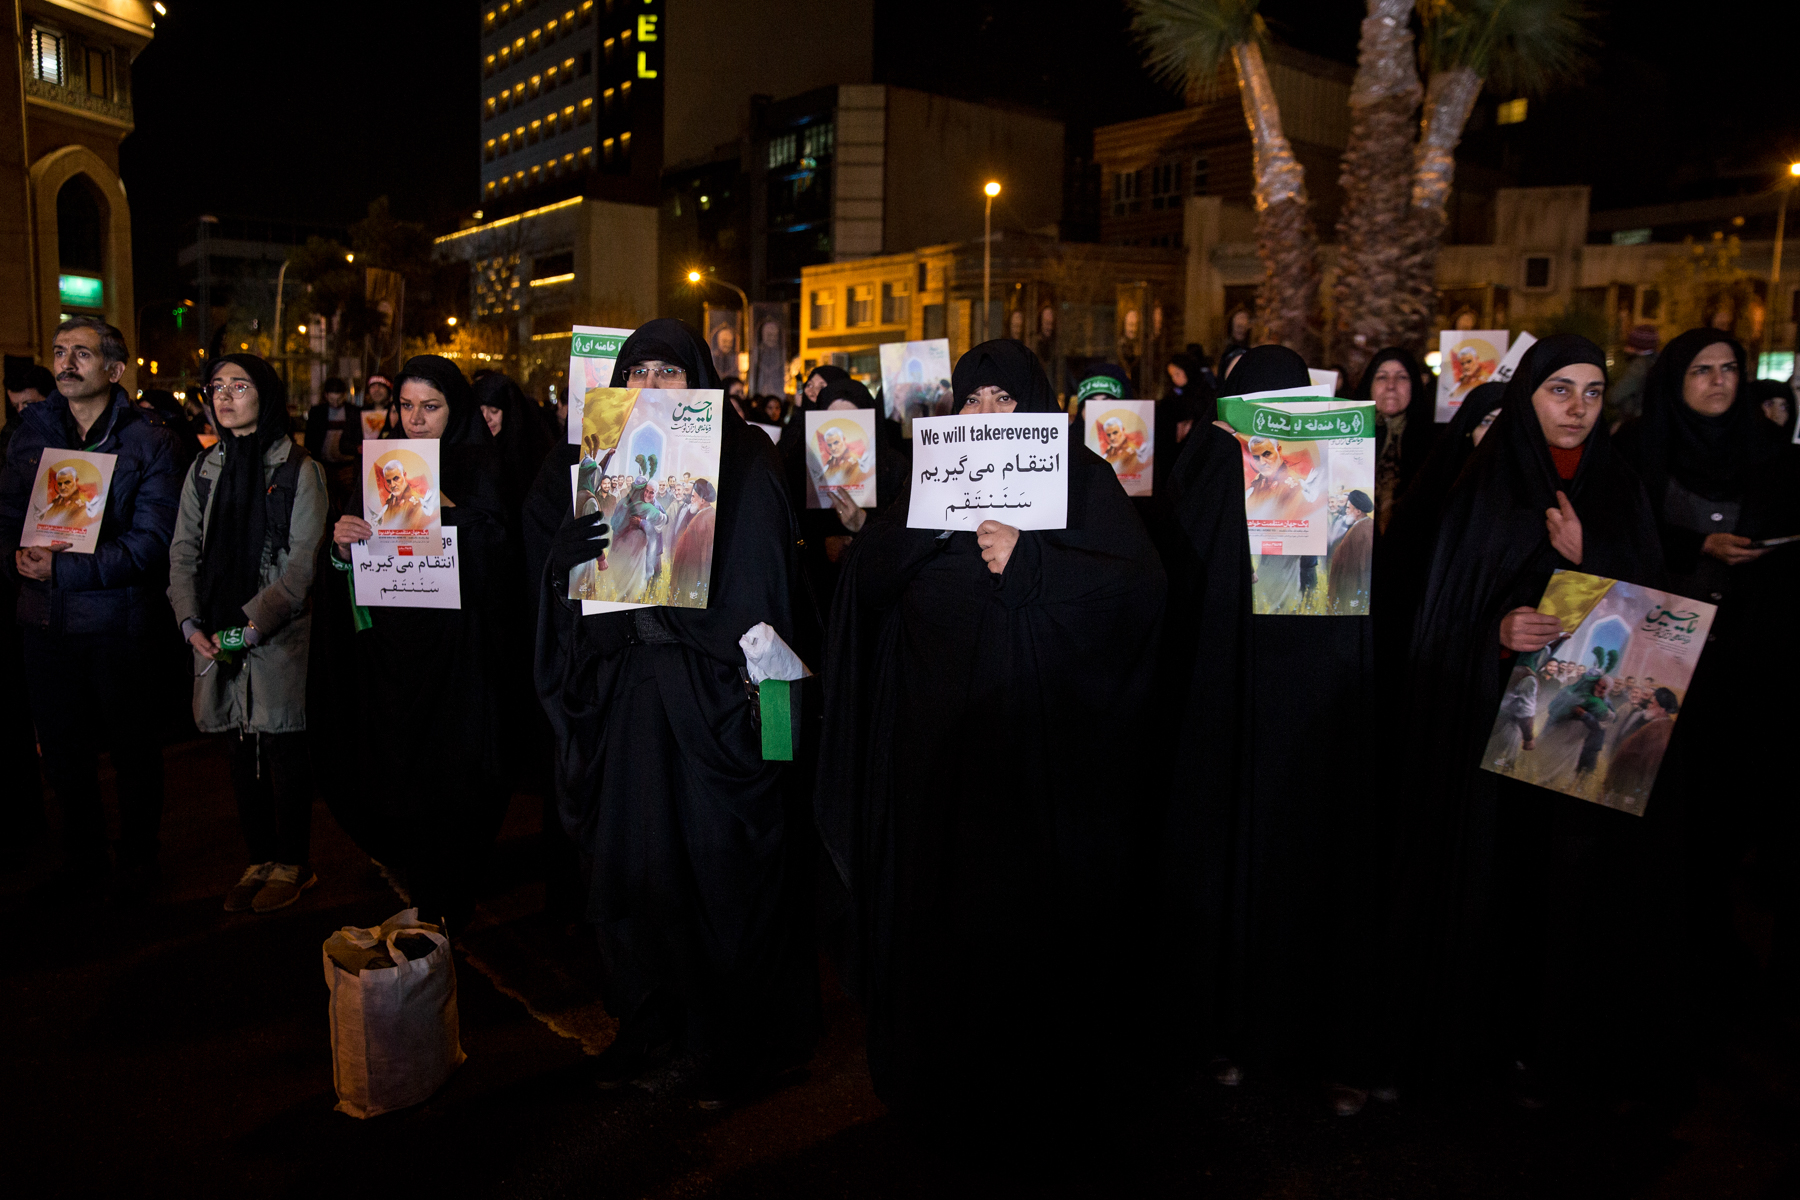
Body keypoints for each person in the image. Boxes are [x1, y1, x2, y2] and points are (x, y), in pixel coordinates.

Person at [814, 338, 1166, 1122]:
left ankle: (1033, 1089)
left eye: (1003, 398)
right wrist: (921, 533)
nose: (986, 413)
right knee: (938, 913)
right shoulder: (924, 482)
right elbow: (867, 586)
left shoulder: (1083, 477)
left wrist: (1034, 567)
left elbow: (1139, 587)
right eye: (972, 399)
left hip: (1041, 758)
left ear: (1035, 406)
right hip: (934, 757)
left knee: (1025, 917)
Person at [1387, 335, 1683, 1110]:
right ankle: (1480, 1039)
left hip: (1582, 745)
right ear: (1529, 397)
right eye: (1560, 390)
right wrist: (1495, 629)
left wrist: (1591, 561)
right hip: (1490, 735)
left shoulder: (1618, 486)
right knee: (1490, 884)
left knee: (1570, 890)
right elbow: (1436, 609)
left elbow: (1654, 618)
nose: (1578, 408)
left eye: (1592, 392)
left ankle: (1550, 1047)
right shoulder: (1486, 485)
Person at [535, 318, 820, 1108]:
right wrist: (567, 567)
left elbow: (762, 603)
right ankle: (651, 1021)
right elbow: (581, 605)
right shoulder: (603, 466)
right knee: (636, 868)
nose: (651, 388)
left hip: (710, 705)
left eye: (668, 372)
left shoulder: (751, 463)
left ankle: (729, 1043)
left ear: (698, 381)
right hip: (632, 707)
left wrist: (673, 617)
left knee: (718, 875)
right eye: (638, 373)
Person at [1612, 328, 1800, 1042]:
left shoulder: (1777, 462)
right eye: (1701, 370)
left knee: (1731, 816)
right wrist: (1697, 547)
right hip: (1656, 662)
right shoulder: (1639, 452)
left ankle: (1720, 961)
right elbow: (1621, 541)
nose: (1718, 382)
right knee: (1661, 820)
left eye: (1729, 370)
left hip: (1751, 666)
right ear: (1673, 382)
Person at [311, 354, 511, 933]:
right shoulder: (380, 469)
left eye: (431, 407)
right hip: (394, 653)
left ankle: (456, 892)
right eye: (406, 406)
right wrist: (341, 545)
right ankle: (423, 887)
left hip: (459, 652)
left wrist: (450, 511)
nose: (416, 420)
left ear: (455, 408)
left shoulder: (482, 465)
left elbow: (501, 563)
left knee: (457, 773)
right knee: (404, 768)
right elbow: (346, 564)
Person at [0, 317, 182, 900]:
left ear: (115, 368)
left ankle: (138, 855)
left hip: (116, 623)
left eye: (82, 352)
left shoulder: (149, 439)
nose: (66, 363)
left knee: (131, 748)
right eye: (59, 352)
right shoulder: (31, 432)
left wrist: (68, 568)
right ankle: (81, 854)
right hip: (43, 621)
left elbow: (153, 542)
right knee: (61, 750)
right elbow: (7, 516)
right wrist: (15, 560)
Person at [168, 355, 327, 912]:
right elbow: (184, 550)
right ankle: (258, 857)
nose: (226, 396)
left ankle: (293, 863)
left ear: (267, 393)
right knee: (236, 743)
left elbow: (302, 564)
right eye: (217, 387)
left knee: (282, 744)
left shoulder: (299, 468)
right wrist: (190, 622)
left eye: (241, 386)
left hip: (275, 632)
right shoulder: (204, 467)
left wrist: (255, 622)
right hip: (213, 627)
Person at [1607, 324, 1658, 429]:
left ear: (1636, 345)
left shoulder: (1638, 366)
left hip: (1635, 422)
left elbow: (1614, 396)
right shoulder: (1657, 361)